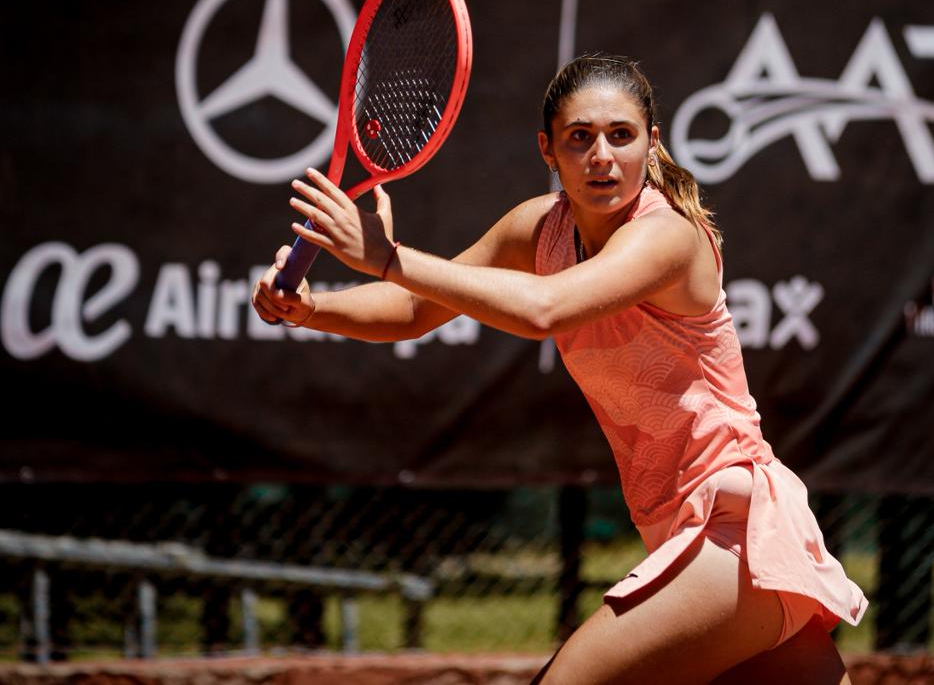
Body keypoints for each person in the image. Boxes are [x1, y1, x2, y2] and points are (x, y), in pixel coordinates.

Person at [253, 55, 867, 684]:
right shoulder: (537, 230)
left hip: (737, 540)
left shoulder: (668, 238)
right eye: (580, 138)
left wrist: (387, 257)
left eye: (620, 135)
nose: (601, 155)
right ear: (547, 149)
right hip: (692, 541)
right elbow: (415, 310)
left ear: (651, 143)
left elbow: (546, 308)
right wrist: (309, 308)